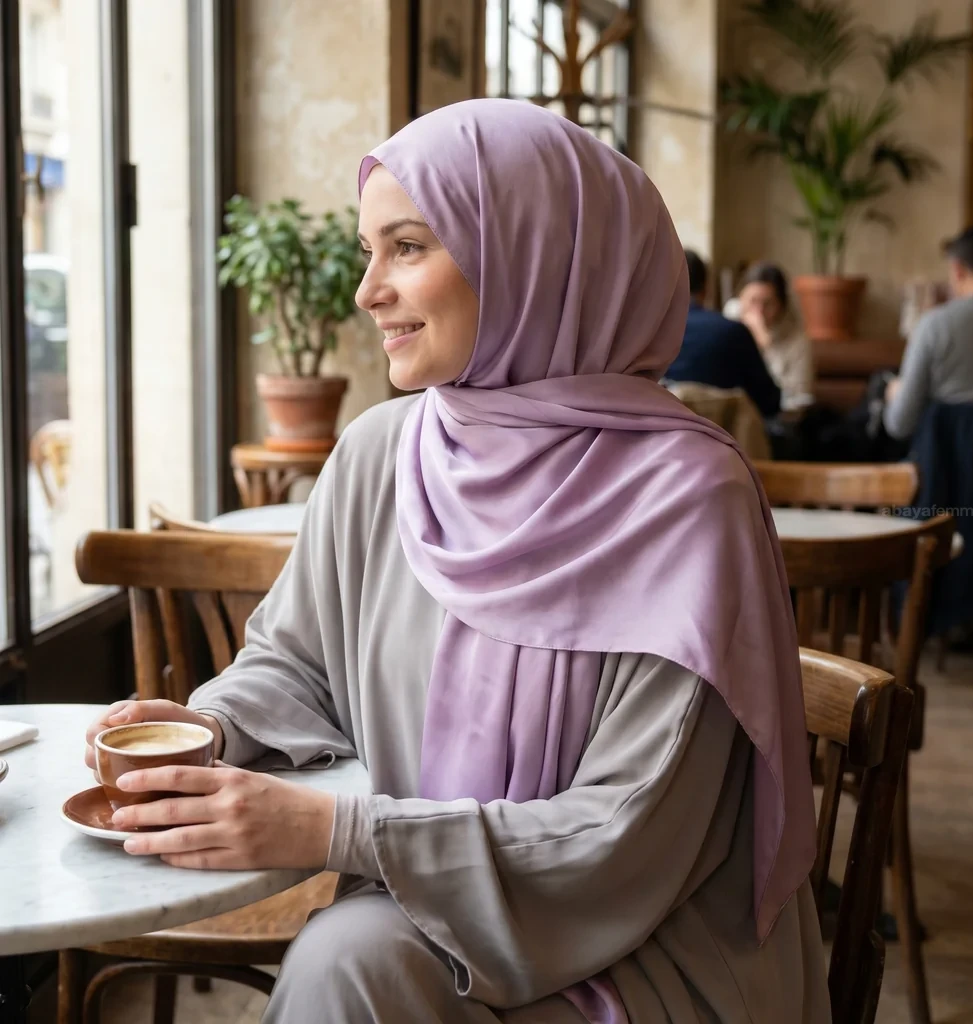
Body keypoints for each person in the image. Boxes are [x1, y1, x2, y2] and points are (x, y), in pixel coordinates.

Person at [83, 100, 828, 1023]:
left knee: (347, 963)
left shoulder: (689, 497)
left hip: (646, 948)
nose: (367, 291)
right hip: (424, 920)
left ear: (532, 256)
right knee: (349, 960)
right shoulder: (380, 453)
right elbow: (294, 661)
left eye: (407, 246)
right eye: (370, 250)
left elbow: (627, 838)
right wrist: (210, 734)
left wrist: (330, 827)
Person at [884, 225, 973, 440]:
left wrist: (895, 392)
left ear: (958, 270)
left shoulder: (935, 325)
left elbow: (899, 424)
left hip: (947, 469)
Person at [663, 250, 783, 419]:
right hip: (725, 441)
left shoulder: (650, 336)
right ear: (706, 288)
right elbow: (770, 403)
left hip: (658, 438)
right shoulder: (734, 332)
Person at [726, 262, 815, 412]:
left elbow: (799, 396)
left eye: (767, 304)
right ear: (740, 299)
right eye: (752, 301)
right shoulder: (728, 324)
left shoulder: (798, 341)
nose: (758, 312)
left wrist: (765, 345)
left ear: (781, 306)